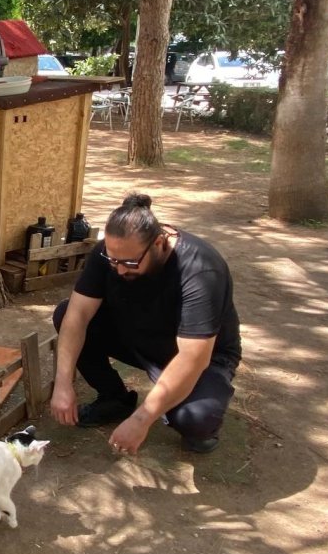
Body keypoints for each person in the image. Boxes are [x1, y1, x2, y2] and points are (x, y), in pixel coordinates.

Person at [49, 193, 241, 454]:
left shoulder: (201, 269)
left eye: (129, 263)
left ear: (159, 243)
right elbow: (77, 315)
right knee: (64, 313)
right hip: (140, 337)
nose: (119, 270)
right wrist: (63, 382)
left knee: (194, 419)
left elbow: (192, 358)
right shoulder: (108, 254)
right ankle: (115, 399)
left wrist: (142, 419)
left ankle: (199, 421)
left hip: (202, 358)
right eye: (113, 260)